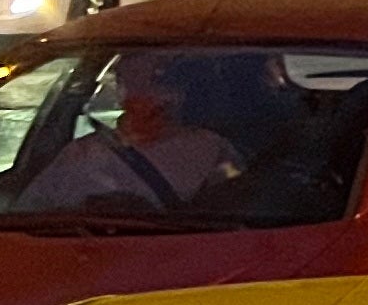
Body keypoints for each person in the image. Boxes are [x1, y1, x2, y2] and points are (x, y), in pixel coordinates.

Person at [20, 56, 242, 212]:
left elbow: (235, 216)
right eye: (135, 84)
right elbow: (30, 213)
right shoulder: (79, 155)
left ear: (179, 93)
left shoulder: (211, 150)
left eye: (160, 85)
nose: (157, 99)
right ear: (121, 93)